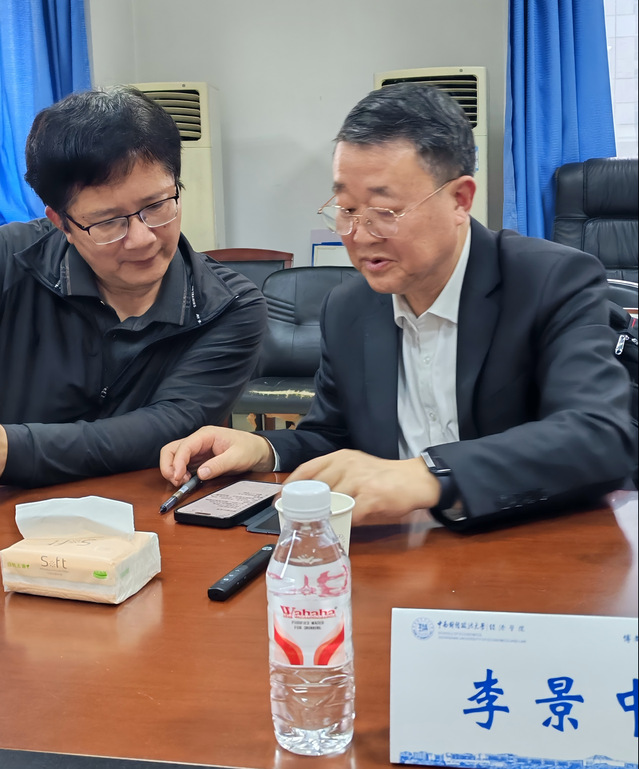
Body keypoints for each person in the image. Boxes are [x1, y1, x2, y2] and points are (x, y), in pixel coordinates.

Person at [160, 83, 635, 531]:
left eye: (385, 211)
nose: (359, 235)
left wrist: (430, 474)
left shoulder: (550, 280)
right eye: (347, 210)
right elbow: (333, 437)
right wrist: (262, 449)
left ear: (460, 199)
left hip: (523, 545)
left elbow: (599, 436)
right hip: (397, 551)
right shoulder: (349, 307)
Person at [0, 86, 266, 488]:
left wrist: (10, 449)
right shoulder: (11, 259)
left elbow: (168, 426)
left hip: (145, 512)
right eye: (108, 222)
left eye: (157, 206)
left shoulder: (227, 305)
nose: (142, 239)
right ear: (62, 223)